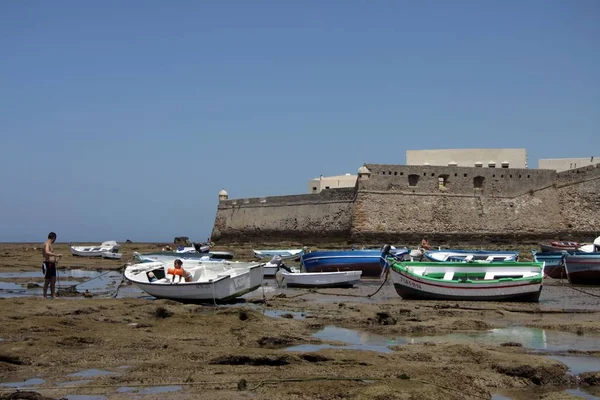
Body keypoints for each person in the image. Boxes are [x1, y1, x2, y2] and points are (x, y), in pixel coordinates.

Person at [42, 232, 62, 299]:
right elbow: (47, 252)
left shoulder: (50, 244)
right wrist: (56, 255)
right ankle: (44, 295)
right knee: (47, 281)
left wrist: (57, 259)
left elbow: (50, 255)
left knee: (53, 280)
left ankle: (53, 295)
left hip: (52, 264)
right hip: (48, 264)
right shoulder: (47, 243)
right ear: (53, 238)